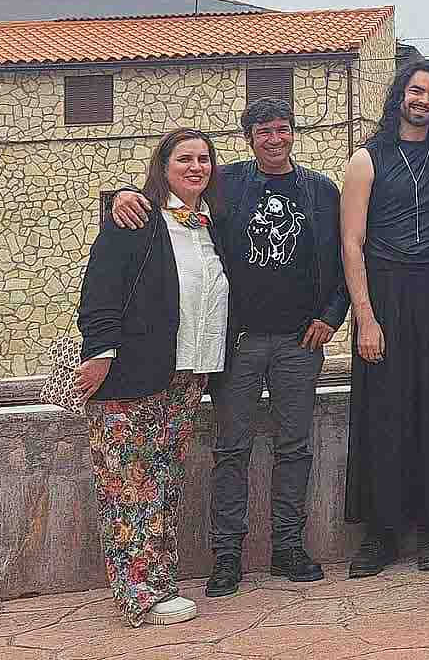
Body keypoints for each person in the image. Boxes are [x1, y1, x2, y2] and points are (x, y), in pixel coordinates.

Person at [108, 97, 347, 596]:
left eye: (282, 129)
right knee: (231, 449)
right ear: (249, 138)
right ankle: (227, 557)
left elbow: (347, 256)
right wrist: (123, 194)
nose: (275, 139)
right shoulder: (227, 182)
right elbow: (169, 192)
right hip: (237, 343)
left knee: (295, 448)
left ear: (293, 133)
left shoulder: (322, 190)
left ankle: (288, 548)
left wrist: (331, 316)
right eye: (264, 131)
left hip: (299, 342)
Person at [76, 128, 230, 627]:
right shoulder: (136, 219)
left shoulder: (211, 225)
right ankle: (138, 593)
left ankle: (159, 580)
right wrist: (100, 353)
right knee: (128, 486)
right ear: (162, 167)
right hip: (130, 376)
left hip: (188, 374)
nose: (196, 167)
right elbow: (100, 289)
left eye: (204, 158)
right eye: (184, 159)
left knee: (162, 482)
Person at [340, 60, 429, 577]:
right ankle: (382, 533)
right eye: (417, 91)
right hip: (384, 294)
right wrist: (365, 318)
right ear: (400, 95)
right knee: (384, 412)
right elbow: (351, 244)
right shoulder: (366, 159)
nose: (424, 101)